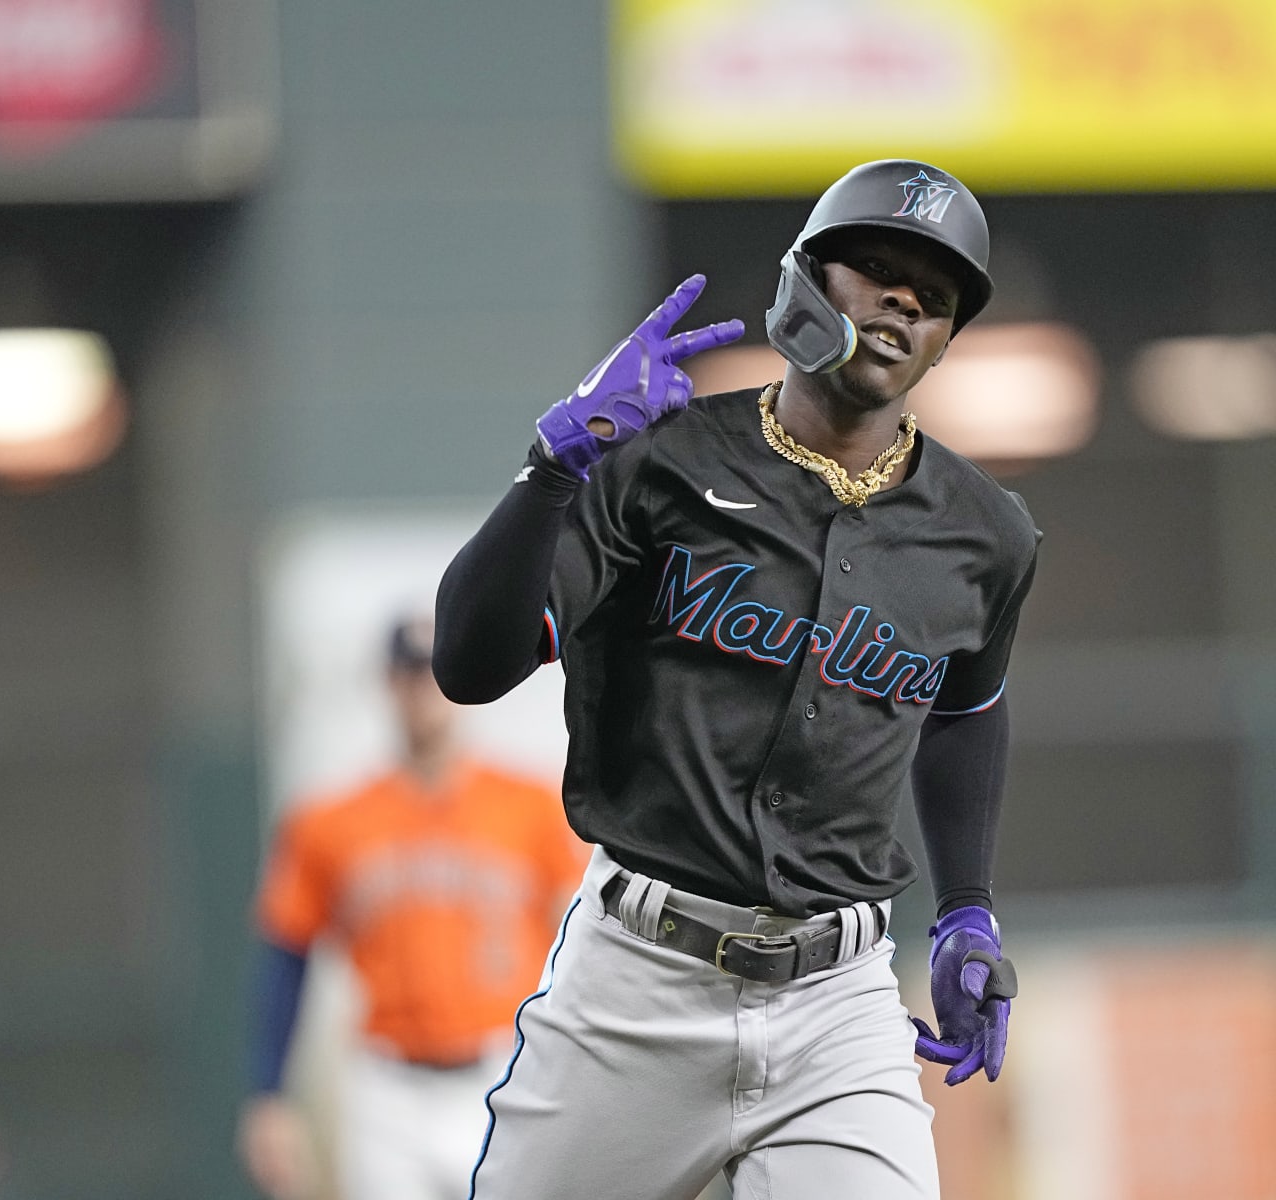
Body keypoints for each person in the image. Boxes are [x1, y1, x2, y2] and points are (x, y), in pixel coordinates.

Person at [434, 158, 1038, 1200]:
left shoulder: (985, 533)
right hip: (638, 982)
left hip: (840, 1003)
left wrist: (967, 909)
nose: (902, 300)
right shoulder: (659, 463)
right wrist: (552, 471)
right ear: (805, 284)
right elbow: (470, 666)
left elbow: (965, 713)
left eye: (932, 296)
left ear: (945, 340)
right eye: (877, 268)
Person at [237, 615, 586, 1200]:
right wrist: (268, 1095)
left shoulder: (532, 807)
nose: (423, 689)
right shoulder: (329, 821)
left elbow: (581, 949)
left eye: (433, 672)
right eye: (409, 673)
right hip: (386, 1090)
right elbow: (286, 959)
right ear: (388, 684)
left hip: (500, 1071)